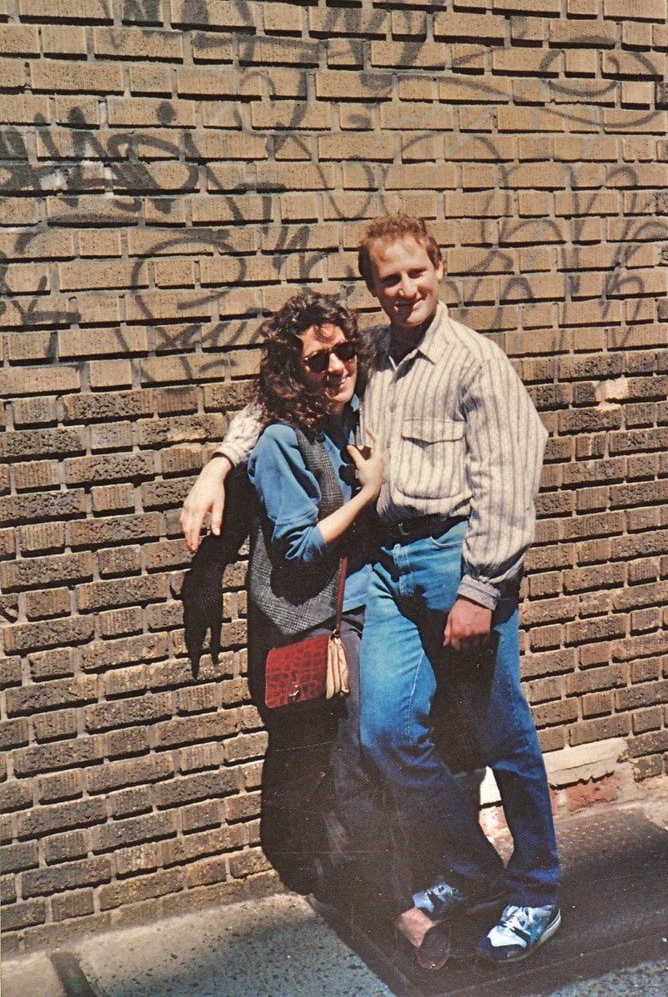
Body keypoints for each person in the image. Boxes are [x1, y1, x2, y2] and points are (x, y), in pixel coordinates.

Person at [181, 213, 560, 966]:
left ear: (439, 268)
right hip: (388, 566)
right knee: (385, 730)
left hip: (459, 560)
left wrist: (481, 590)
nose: (405, 288)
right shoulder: (373, 353)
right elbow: (274, 398)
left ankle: (537, 891)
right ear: (373, 289)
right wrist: (218, 465)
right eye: (389, 279)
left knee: (502, 732)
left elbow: (514, 478)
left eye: (416, 271)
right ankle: (471, 863)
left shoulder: (475, 362)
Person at [181, 291, 450, 969]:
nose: (334, 365)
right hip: (325, 617)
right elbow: (299, 552)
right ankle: (398, 905)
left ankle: (413, 877)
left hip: (379, 601)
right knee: (357, 750)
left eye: (342, 351)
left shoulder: (360, 408)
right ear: (291, 371)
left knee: (392, 739)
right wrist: (366, 492)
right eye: (316, 358)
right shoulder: (279, 438)